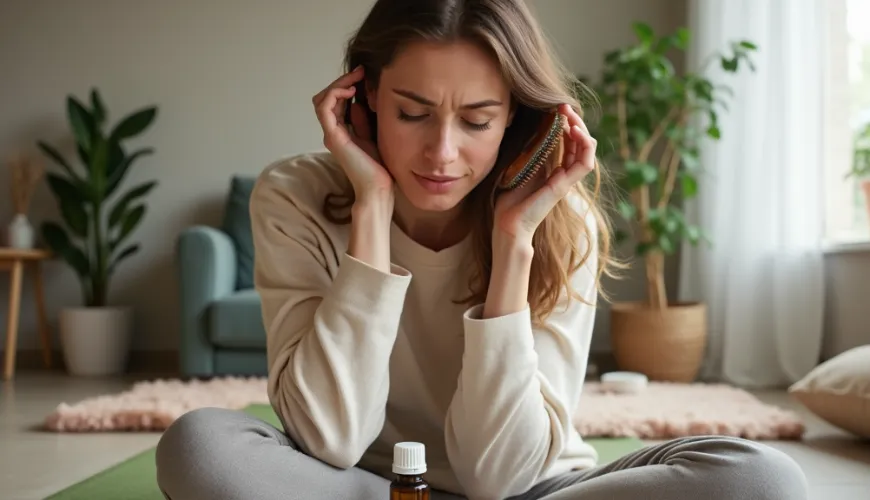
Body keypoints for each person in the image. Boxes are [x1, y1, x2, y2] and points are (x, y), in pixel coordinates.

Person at [155, 0, 809, 499]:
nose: (443, 154)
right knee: (200, 448)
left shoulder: (559, 220)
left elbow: (499, 478)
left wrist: (514, 243)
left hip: (532, 485)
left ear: (514, 118)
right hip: (368, 484)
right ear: (366, 98)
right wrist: (373, 212)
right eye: (412, 113)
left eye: (476, 121)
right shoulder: (293, 195)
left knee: (762, 479)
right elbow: (330, 438)